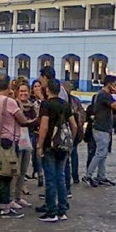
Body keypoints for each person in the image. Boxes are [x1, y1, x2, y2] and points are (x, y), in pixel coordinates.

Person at [37, 78, 79, 223]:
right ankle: (62, 209)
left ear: (47, 89)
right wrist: (70, 140)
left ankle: (51, 211)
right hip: (63, 146)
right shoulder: (65, 105)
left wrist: (40, 145)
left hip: (49, 145)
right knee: (60, 177)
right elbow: (74, 125)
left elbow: (44, 126)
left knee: (50, 178)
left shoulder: (46, 105)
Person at [0, 74, 30, 218]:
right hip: (9, 140)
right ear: (9, 86)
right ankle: (6, 207)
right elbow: (22, 120)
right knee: (7, 174)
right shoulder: (10, 102)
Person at [85, 76, 116, 187]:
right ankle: (88, 175)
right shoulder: (103, 95)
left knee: (103, 153)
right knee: (100, 153)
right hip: (101, 128)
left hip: (104, 127)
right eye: (114, 84)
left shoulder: (103, 95)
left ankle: (101, 176)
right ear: (110, 84)